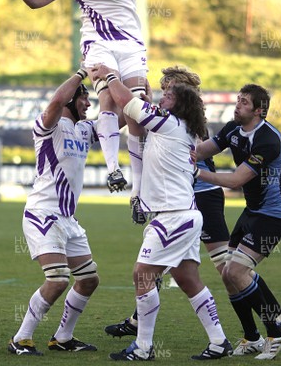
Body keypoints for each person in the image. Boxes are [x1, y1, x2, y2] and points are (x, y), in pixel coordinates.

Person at [0, 0, 148, 196]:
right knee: (106, 97)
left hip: (130, 42)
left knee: (137, 110)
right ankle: (113, 169)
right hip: (97, 42)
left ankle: (138, 192)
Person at [91, 64, 233, 361]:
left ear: (178, 104)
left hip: (174, 216)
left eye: (168, 94)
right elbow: (134, 119)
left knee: (141, 275)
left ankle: (143, 347)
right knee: (187, 279)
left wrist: (110, 74)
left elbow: (127, 103)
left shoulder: (169, 122)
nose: (162, 96)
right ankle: (219, 342)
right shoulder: (178, 126)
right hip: (183, 214)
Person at [195, 84, 281, 360]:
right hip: (252, 212)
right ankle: (252, 337)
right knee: (229, 275)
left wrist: (195, 172)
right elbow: (202, 150)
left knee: (238, 272)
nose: (238, 104)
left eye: (244, 102)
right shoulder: (233, 128)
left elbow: (235, 180)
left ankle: (276, 332)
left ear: (258, 110)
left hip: (274, 215)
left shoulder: (267, 139)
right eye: (238, 99)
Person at [7, 68, 100, 356]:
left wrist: (118, 84)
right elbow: (55, 103)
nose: (88, 104)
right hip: (42, 214)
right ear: (72, 99)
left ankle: (63, 337)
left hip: (68, 219)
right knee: (58, 279)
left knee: (88, 279)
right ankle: (21, 339)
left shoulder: (85, 129)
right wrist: (82, 72)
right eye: (84, 98)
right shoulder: (48, 126)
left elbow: (117, 120)